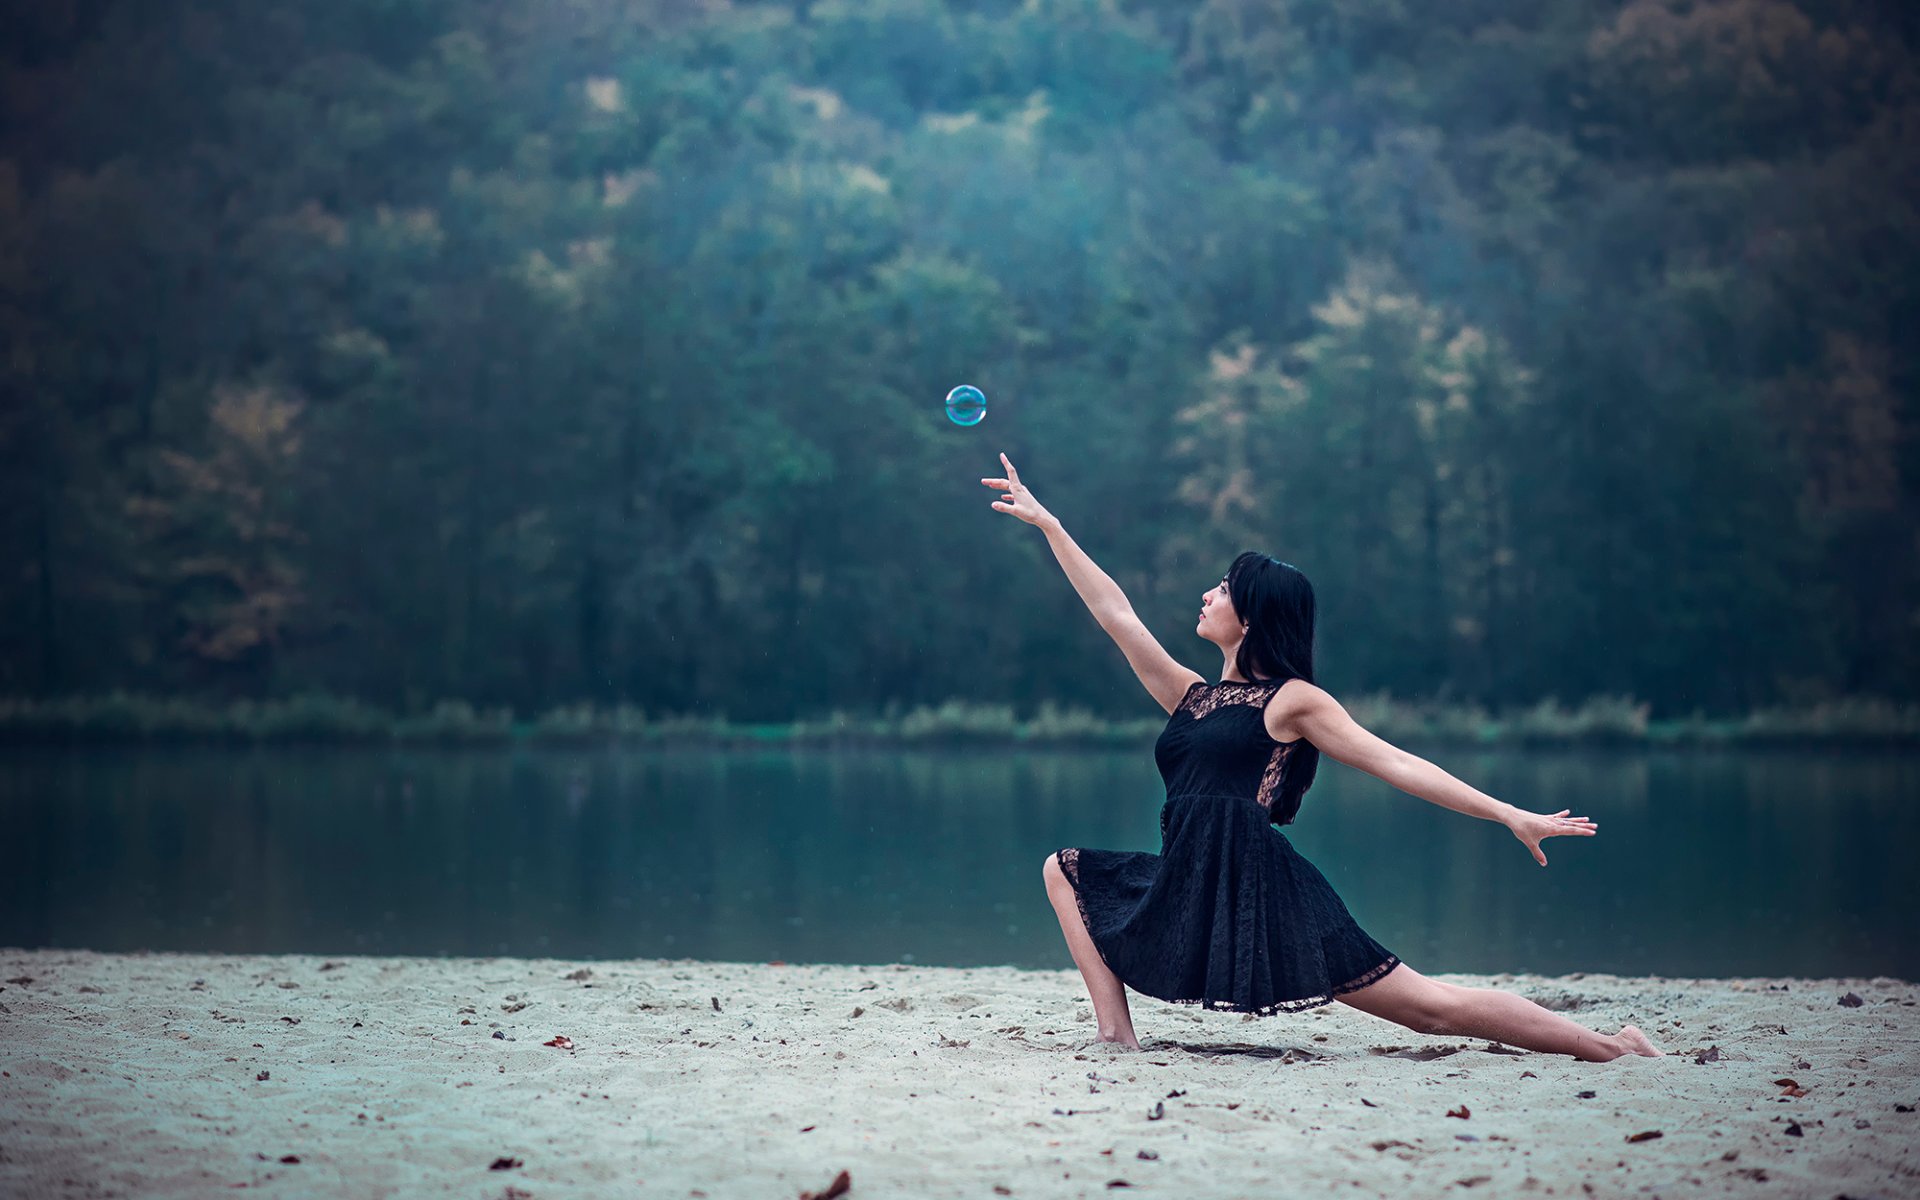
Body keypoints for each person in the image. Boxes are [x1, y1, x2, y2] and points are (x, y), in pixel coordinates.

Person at [983, 451, 1663, 1062]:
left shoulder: (1293, 703)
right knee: (1065, 871)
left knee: (1428, 1009)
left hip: (1263, 889)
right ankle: (1116, 1037)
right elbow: (1117, 616)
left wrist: (1509, 812)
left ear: (1250, 617)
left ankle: (1613, 1048)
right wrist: (1051, 526)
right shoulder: (1191, 697)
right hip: (1190, 879)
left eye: (1221, 588)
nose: (1206, 594)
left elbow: (1396, 763)